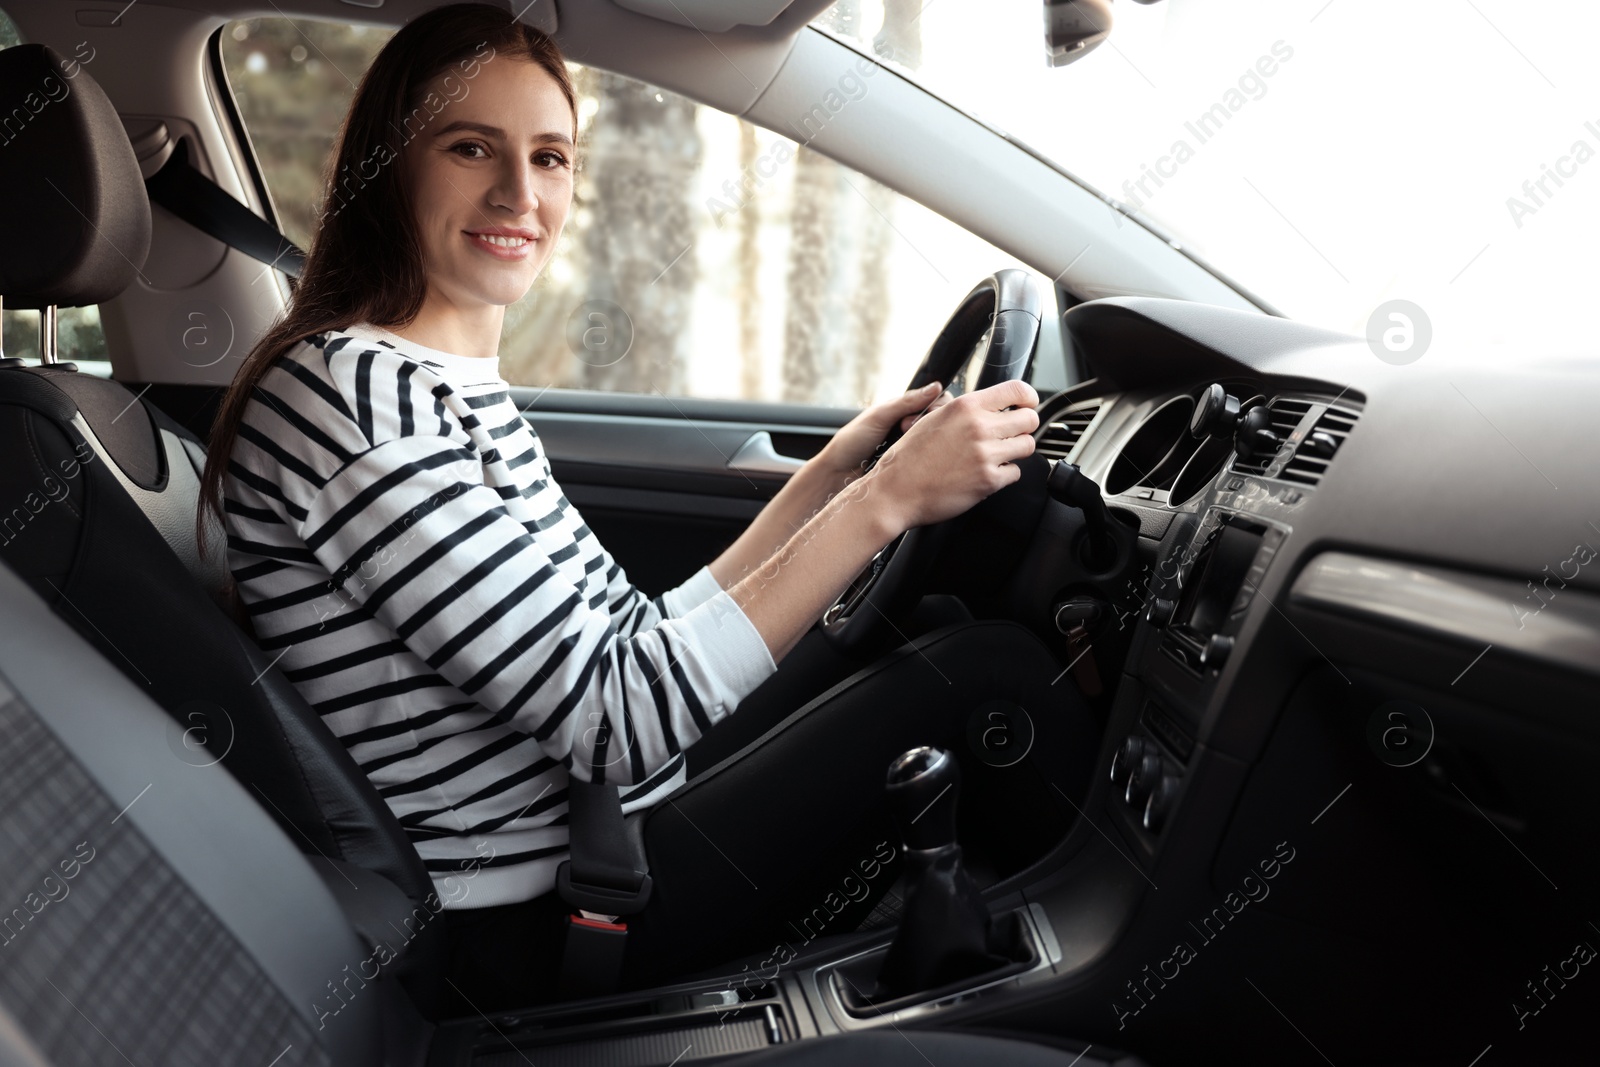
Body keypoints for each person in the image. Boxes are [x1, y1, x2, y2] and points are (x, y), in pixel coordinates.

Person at [196, 2, 1046, 1012]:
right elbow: (618, 716)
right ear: (390, 164)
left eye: (550, 156)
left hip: (602, 834)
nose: (520, 191)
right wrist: (889, 502)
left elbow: (626, 637)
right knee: (987, 677)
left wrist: (841, 478)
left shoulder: (431, 379)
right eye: (472, 147)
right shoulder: (351, 398)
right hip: (536, 920)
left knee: (937, 628)